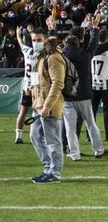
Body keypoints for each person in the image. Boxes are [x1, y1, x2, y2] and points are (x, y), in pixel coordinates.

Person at [58, 16, 108, 161]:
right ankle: (98, 150)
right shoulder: (84, 56)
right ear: (79, 42)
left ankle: (74, 154)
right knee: (91, 124)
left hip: (68, 96)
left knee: (70, 127)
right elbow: (93, 44)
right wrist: (95, 29)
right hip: (84, 95)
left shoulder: (61, 56)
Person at [29, 28, 66, 183]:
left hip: (49, 107)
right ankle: (48, 168)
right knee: (35, 136)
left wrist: (47, 105)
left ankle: (55, 173)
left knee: (53, 141)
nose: (35, 43)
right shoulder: (41, 57)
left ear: (46, 40)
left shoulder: (53, 57)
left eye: (39, 40)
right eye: (33, 40)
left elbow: (58, 83)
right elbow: (39, 82)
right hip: (39, 105)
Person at [14, 25, 36, 144]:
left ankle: (18, 136)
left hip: (27, 86)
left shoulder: (27, 51)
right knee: (38, 112)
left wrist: (18, 34)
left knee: (23, 111)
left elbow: (20, 43)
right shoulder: (41, 52)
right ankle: (37, 135)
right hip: (37, 86)